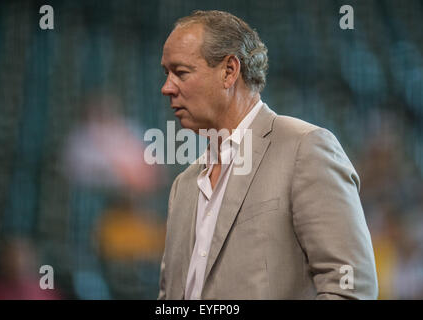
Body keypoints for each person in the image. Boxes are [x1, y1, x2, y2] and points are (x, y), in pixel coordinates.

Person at [158, 10, 378, 299]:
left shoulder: (305, 148)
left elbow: (351, 286)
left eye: (181, 73)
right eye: (167, 74)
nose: (167, 88)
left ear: (229, 71)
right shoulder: (183, 186)